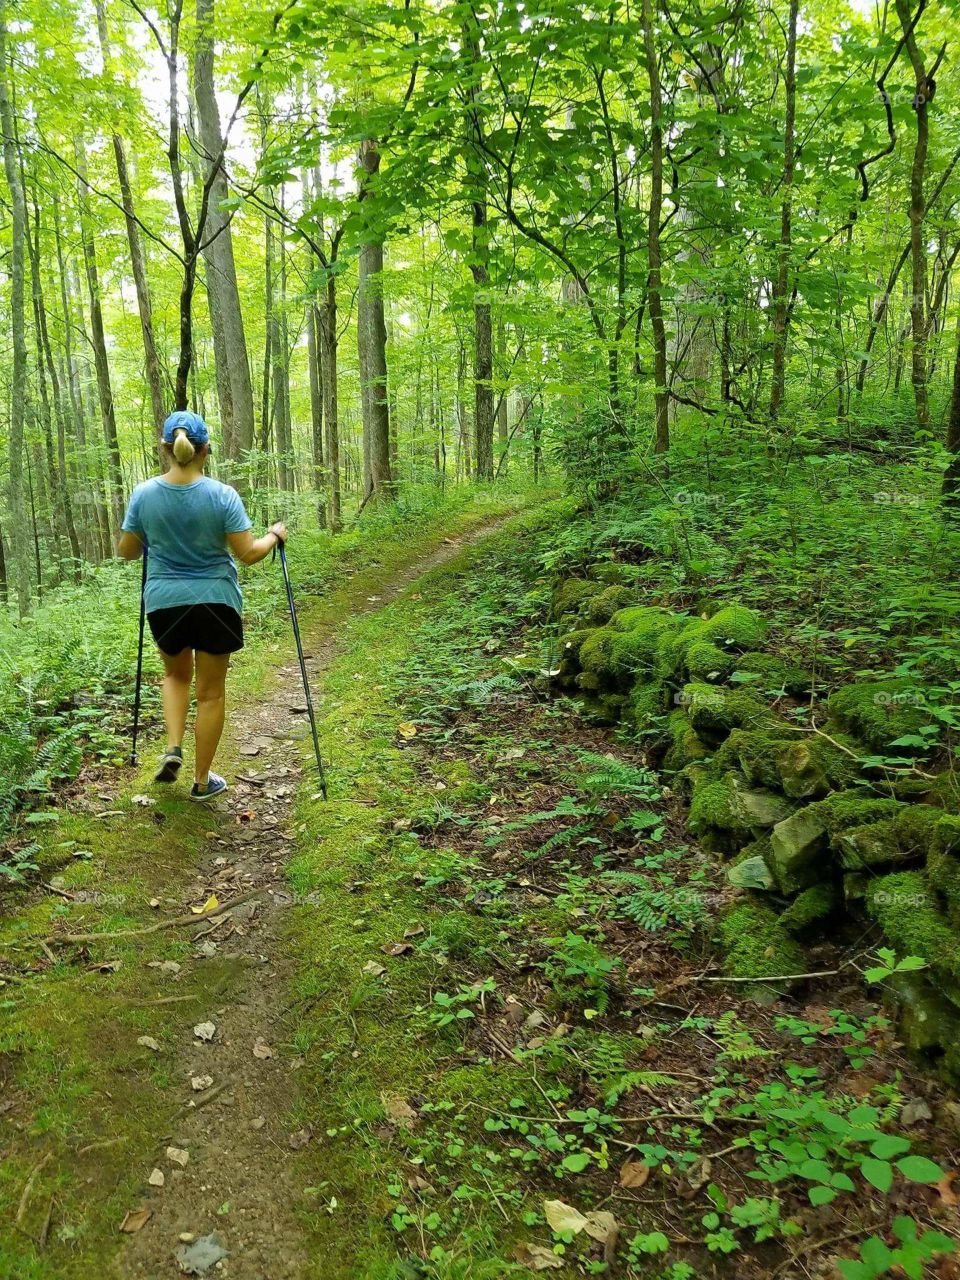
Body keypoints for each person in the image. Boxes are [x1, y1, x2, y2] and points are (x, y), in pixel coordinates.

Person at [118, 410, 287, 801]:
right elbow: (247, 554)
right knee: (210, 694)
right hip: (216, 601)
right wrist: (273, 536)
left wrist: (155, 530)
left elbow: (126, 551)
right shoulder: (222, 495)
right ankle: (201, 780)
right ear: (205, 449)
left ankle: (172, 747)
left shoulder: (144, 494)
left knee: (176, 676)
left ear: (165, 448)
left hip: (164, 602)